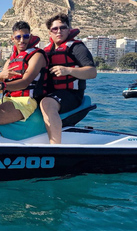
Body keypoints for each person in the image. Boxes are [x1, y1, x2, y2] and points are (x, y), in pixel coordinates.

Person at [40, 13, 97, 144]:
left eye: (63, 28)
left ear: (69, 29)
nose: (59, 31)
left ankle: (55, 147)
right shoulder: (46, 50)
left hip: (71, 95)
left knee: (47, 104)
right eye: (55, 29)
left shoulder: (77, 48)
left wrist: (68, 70)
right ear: (50, 32)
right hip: (50, 92)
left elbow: (92, 72)